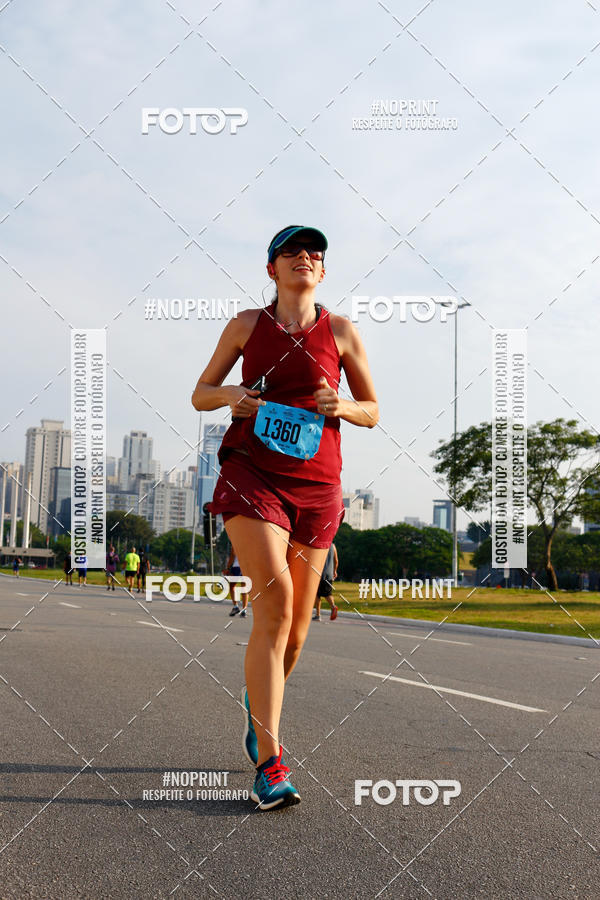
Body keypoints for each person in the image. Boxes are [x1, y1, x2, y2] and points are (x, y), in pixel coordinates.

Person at [192, 225, 378, 810]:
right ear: (271, 269)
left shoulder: (341, 331)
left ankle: (259, 705)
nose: (305, 257)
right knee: (273, 605)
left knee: (296, 631)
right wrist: (233, 396)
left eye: (314, 252)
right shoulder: (247, 325)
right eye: (291, 251)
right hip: (253, 475)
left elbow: (373, 410)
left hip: (319, 488)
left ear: (322, 272)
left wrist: (342, 404)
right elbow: (201, 392)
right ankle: (271, 765)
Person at [313, 541, 338, 621]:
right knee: (326, 592)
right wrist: (334, 571)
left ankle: (331, 607)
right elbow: (336, 560)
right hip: (329, 574)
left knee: (318, 594)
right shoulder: (333, 546)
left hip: (319, 573)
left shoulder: (320, 543)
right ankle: (319, 614)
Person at [224, 546, 248, 617]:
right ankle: (244, 610)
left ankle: (235, 607)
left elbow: (233, 554)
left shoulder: (236, 541)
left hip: (237, 567)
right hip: (246, 566)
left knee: (232, 586)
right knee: (244, 587)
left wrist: (228, 567)